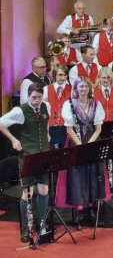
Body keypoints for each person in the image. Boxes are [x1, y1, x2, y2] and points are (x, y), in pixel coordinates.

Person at [0, 83, 52, 242]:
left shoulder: (46, 106)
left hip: (43, 154)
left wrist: (47, 133)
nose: (37, 101)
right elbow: (1, 122)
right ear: (28, 96)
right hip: (27, 155)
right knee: (27, 193)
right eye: (33, 98)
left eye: (39, 97)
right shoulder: (20, 111)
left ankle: (42, 224)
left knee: (43, 190)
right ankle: (26, 228)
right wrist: (13, 139)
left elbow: (47, 121)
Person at [56, 77, 106, 227]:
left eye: (86, 87)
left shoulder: (96, 103)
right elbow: (69, 129)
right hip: (75, 142)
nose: (83, 89)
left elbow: (98, 128)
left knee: (93, 174)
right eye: (81, 87)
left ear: (89, 88)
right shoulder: (69, 104)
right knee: (77, 176)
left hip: (92, 141)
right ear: (76, 88)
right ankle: (78, 211)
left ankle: (91, 208)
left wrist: (90, 144)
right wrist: (80, 145)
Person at [42, 64, 71, 148]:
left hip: (66, 127)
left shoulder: (72, 89)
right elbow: (42, 108)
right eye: (60, 75)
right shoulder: (46, 89)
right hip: (51, 127)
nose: (63, 77)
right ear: (54, 75)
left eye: (65, 75)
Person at [94, 67, 113, 138]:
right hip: (100, 126)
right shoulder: (93, 91)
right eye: (104, 77)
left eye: (108, 77)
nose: (106, 80)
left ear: (112, 78)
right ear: (99, 78)